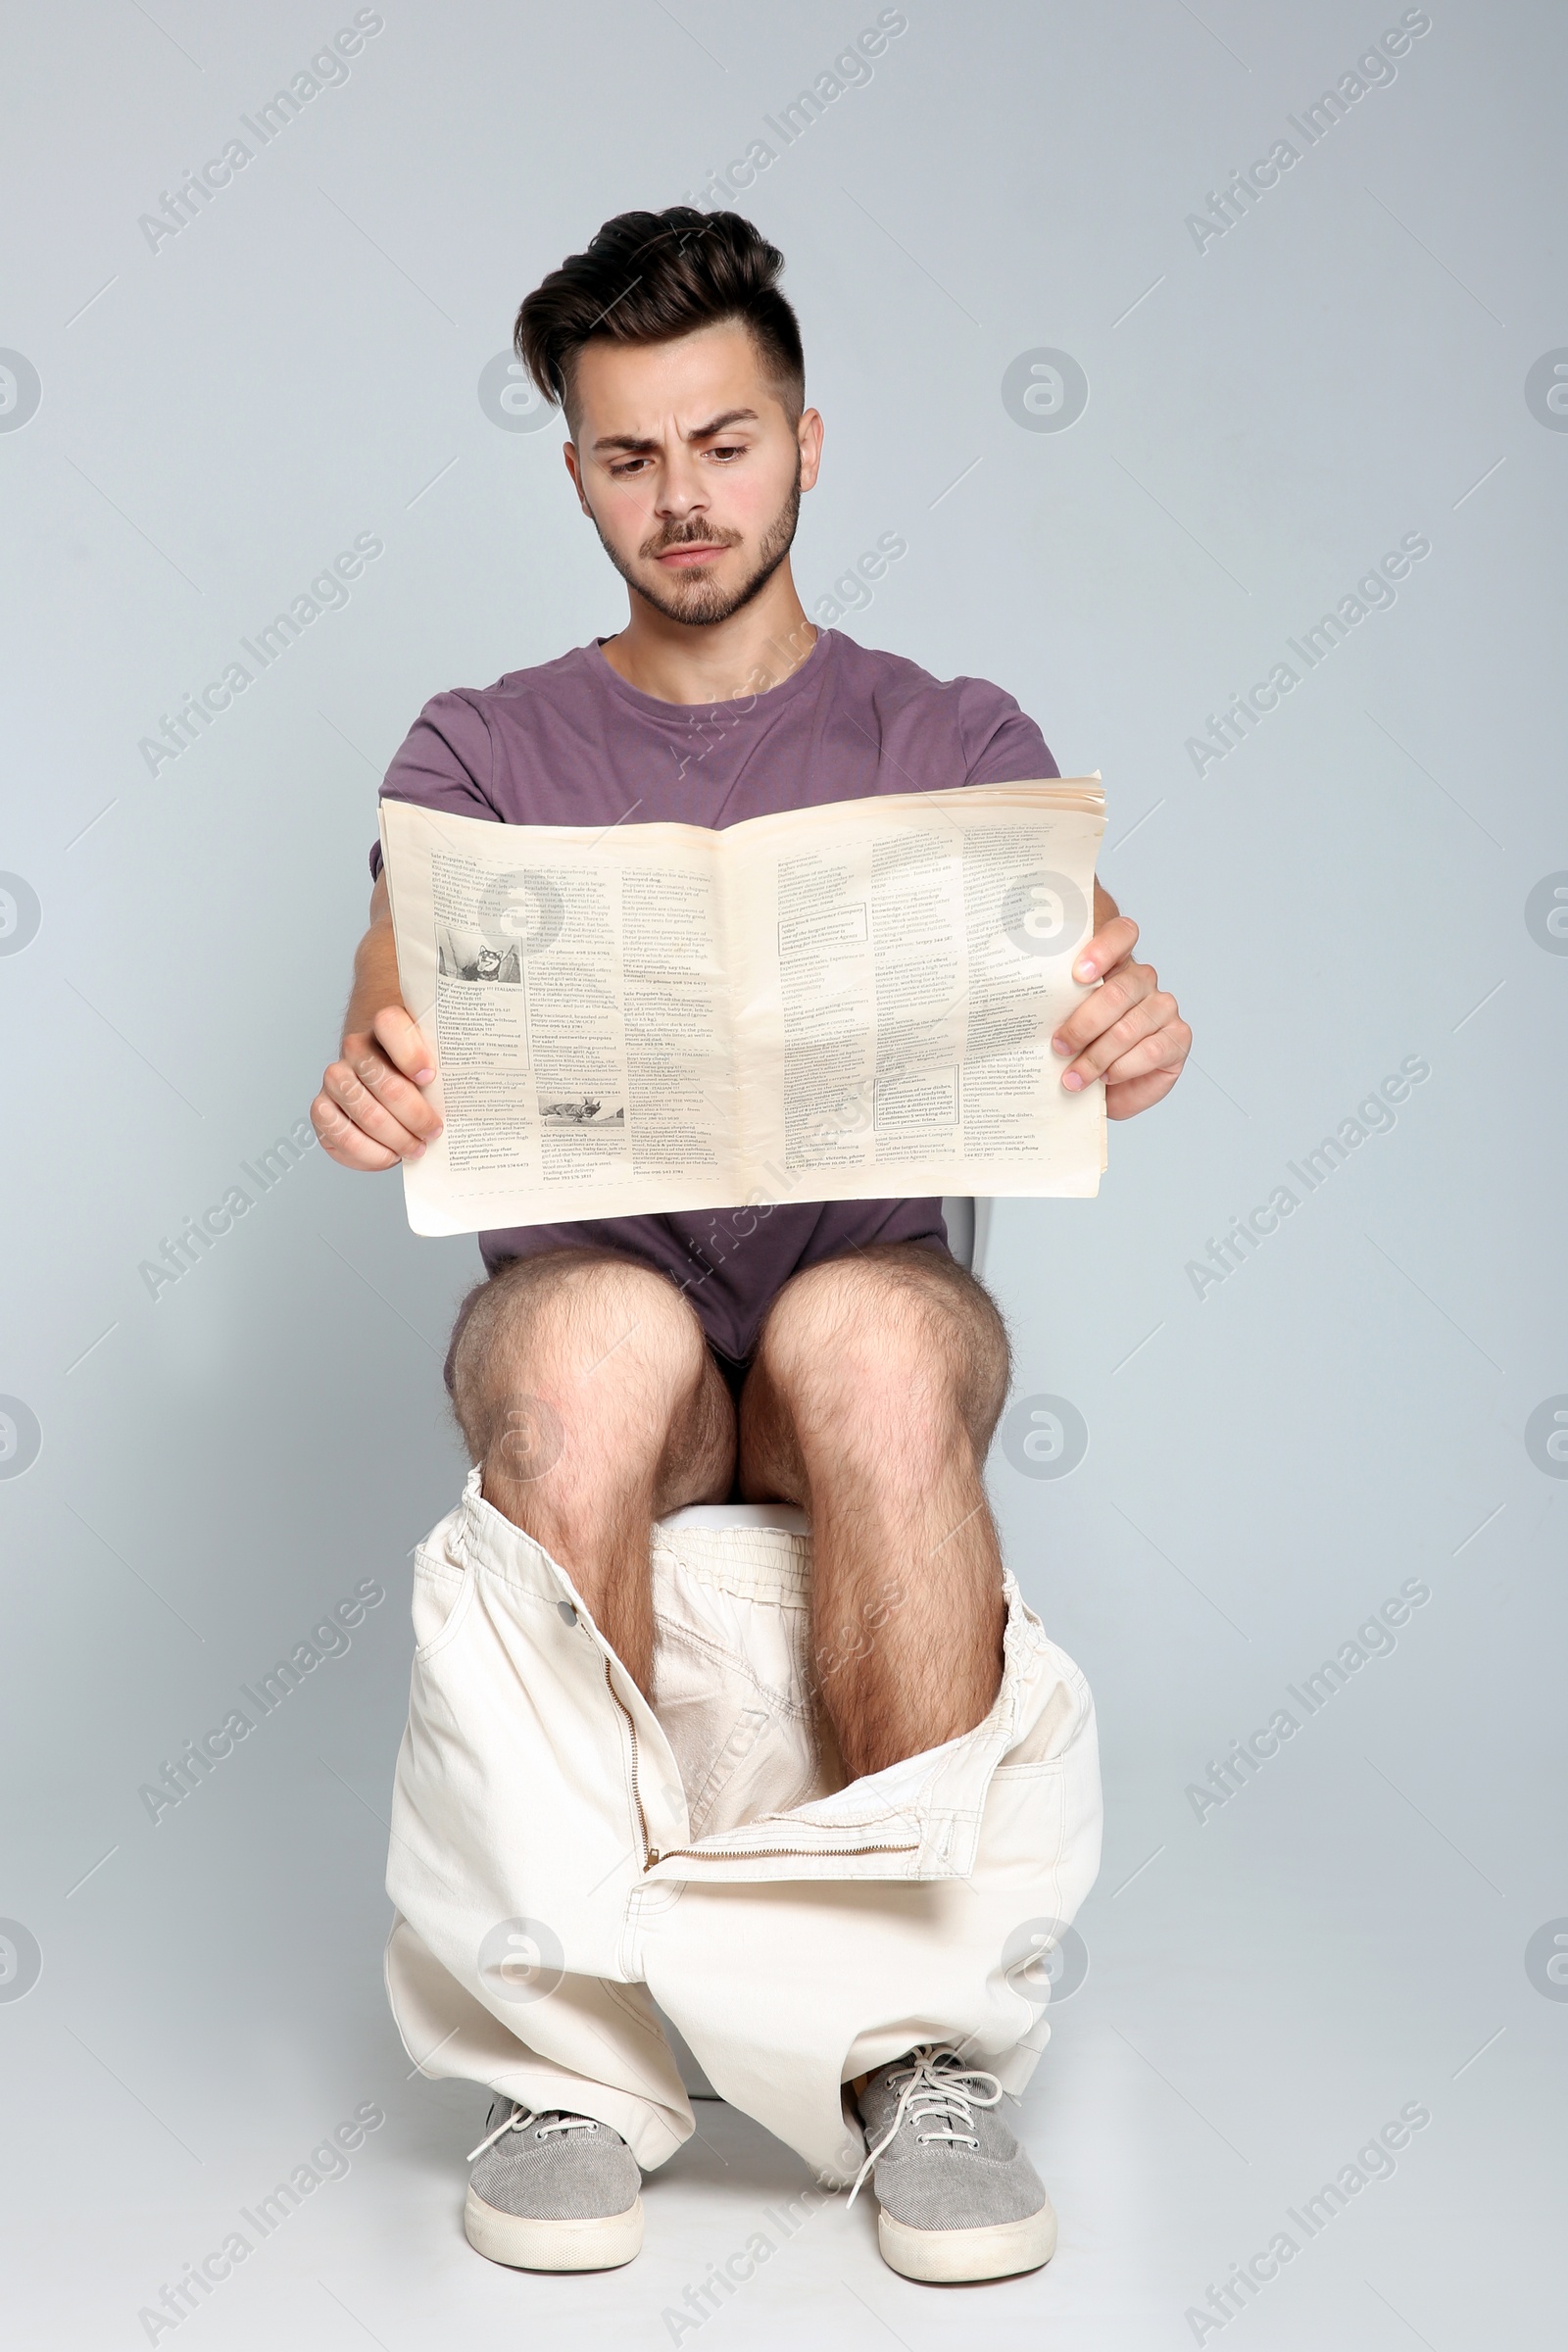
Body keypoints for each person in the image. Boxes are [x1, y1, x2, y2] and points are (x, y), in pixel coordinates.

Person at [310, 206, 1190, 2287]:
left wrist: (1124, 1020)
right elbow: (386, 975)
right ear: (572, 474)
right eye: (628, 458)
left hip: (845, 1337)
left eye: (721, 444)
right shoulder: (484, 746)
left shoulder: (949, 732)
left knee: (860, 1331)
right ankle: (581, 2060)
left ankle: (915, 2056)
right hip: (607, 1335)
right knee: (591, 1337)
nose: (680, 498)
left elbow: (1089, 969)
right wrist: (374, 1060)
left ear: (805, 440)